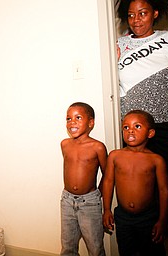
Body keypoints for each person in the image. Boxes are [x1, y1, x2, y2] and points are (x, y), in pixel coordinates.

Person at [115, 0, 168, 230]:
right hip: (133, 131)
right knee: (140, 188)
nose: (136, 20)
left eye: (142, 13)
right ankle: (147, 233)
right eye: (131, 15)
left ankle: (165, 222)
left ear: (155, 13)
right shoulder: (117, 45)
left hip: (167, 124)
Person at [102, 110, 168, 256]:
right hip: (123, 216)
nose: (130, 130)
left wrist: (162, 220)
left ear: (150, 133)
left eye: (137, 126)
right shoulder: (115, 156)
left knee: (153, 251)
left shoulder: (156, 160)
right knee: (126, 250)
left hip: (149, 217)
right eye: (126, 127)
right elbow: (108, 182)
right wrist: (106, 209)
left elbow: (164, 191)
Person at [60, 102, 107, 256]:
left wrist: (99, 196)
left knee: (95, 246)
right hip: (67, 201)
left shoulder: (97, 147)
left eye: (78, 117)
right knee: (68, 246)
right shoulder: (65, 144)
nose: (72, 122)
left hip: (90, 202)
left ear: (91, 123)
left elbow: (107, 175)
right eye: (68, 118)